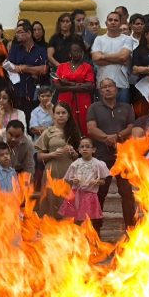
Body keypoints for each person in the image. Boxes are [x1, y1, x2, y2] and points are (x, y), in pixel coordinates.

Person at [86, 77, 136, 235]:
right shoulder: (94, 108)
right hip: (101, 157)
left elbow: (131, 127)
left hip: (123, 157)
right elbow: (91, 128)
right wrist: (107, 138)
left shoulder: (127, 107)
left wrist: (118, 136)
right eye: (104, 87)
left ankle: (131, 232)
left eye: (110, 86)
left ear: (116, 89)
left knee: (127, 195)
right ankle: (95, 233)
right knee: (99, 194)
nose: (107, 89)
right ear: (100, 91)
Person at [35, 100, 81, 216]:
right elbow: (39, 156)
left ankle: (68, 226)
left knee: (68, 201)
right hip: (52, 171)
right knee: (52, 201)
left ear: (68, 115)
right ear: (53, 115)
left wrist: (74, 153)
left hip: (69, 171)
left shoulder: (74, 132)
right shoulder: (48, 132)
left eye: (63, 113)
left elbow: (79, 156)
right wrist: (52, 154)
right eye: (58, 113)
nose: (61, 115)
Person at [59, 137, 110, 224]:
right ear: (79, 150)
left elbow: (103, 181)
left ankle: (87, 230)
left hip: (90, 195)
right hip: (76, 194)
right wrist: (73, 180)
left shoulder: (98, 164)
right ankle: (76, 231)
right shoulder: (75, 164)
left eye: (87, 146)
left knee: (87, 218)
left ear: (93, 150)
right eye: (82, 147)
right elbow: (69, 178)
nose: (84, 149)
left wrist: (97, 181)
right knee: (74, 217)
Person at [54, 39, 96, 133]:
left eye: (80, 51)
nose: (78, 53)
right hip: (65, 100)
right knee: (65, 125)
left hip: (83, 100)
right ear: (70, 53)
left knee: (84, 124)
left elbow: (90, 87)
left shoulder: (88, 67)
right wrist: (79, 86)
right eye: (75, 51)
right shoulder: (61, 67)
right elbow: (58, 87)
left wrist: (68, 84)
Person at [91, 12, 132, 104]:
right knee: (102, 112)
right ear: (106, 23)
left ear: (120, 23)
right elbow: (96, 58)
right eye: (110, 20)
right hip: (102, 85)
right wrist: (118, 60)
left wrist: (103, 56)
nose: (113, 22)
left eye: (116, 20)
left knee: (123, 112)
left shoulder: (127, 39)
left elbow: (123, 57)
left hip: (122, 84)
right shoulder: (99, 39)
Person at [7, 21, 49, 112]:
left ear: (29, 33)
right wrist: (33, 70)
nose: (17, 35)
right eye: (16, 33)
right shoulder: (15, 49)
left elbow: (44, 69)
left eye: (20, 32)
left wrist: (24, 68)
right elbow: (11, 67)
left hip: (35, 91)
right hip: (18, 90)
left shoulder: (41, 50)